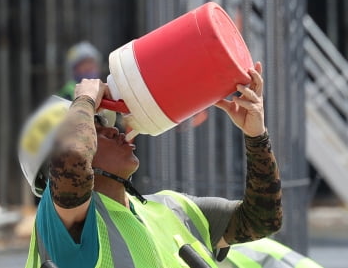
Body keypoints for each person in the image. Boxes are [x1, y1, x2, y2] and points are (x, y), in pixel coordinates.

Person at [18, 61, 282, 268]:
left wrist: (255, 135)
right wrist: (85, 100)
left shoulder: (176, 210)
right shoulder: (61, 221)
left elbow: (263, 219)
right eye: (96, 128)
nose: (112, 130)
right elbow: (73, 159)